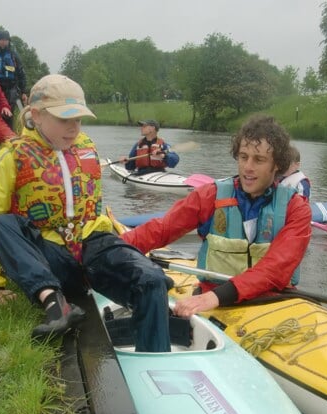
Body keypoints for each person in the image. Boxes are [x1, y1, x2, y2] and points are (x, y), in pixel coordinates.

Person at [0, 74, 172, 351]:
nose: (74, 128)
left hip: (92, 243)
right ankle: (55, 303)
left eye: (78, 119)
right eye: (64, 120)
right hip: (50, 254)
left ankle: (155, 359)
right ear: (37, 115)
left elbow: (92, 201)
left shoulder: (87, 147)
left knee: (152, 279)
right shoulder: (12, 156)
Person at [122, 115, 312, 318]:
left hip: (271, 302)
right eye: (243, 156)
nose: (248, 167)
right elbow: (160, 230)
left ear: (277, 165)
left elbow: (276, 268)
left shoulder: (296, 209)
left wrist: (215, 297)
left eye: (259, 160)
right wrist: (111, 247)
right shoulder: (209, 196)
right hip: (216, 301)